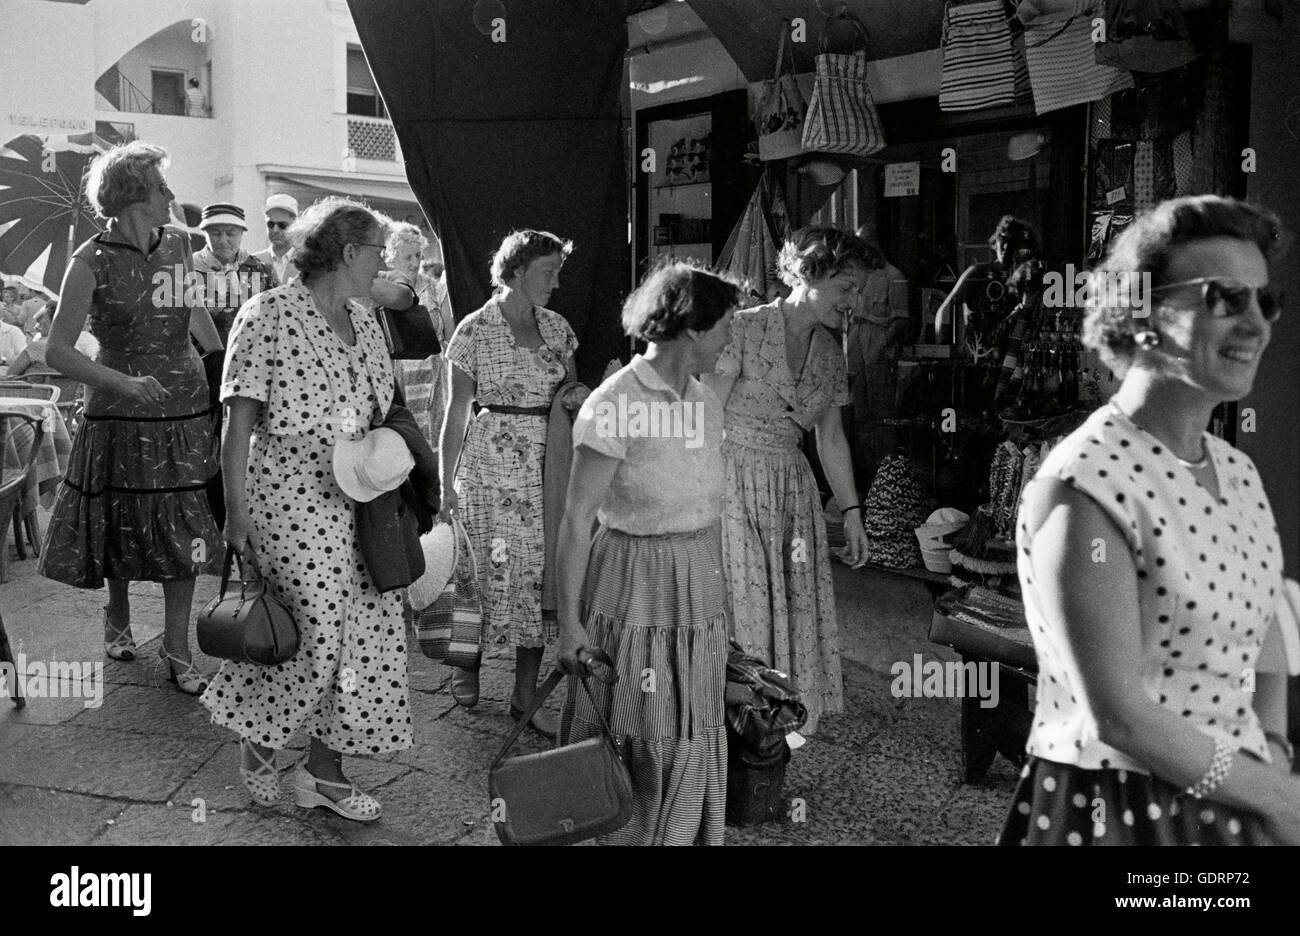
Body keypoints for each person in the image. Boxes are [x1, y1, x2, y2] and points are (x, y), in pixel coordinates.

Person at [999, 195, 1300, 845]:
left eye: (1264, 301)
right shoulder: (1082, 485)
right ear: (1142, 315)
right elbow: (1120, 716)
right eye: (1224, 298)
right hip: (1121, 812)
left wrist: (1271, 746)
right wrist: (1278, 797)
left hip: (1236, 797)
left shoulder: (1237, 471)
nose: (1256, 324)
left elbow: (1271, 613)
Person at [202, 197, 410, 820]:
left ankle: (324, 772)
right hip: (291, 496)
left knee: (368, 636)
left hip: (364, 497)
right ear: (347, 252)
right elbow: (237, 425)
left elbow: (383, 405)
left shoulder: (368, 321)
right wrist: (235, 515)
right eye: (377, 251)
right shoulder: (266, 314)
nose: (383, 262)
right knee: (312, 632)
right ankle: (261, 746)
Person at [556, 261, 741, 845]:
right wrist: (567, 624)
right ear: (692, 327)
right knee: (638, 715)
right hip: (633, 579)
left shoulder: (705, 399)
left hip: (698, 581)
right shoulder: (616, 400)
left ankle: (680, 833)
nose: (731, 338)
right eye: (725, 326)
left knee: (691, 718)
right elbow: (576, 517)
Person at [37, 141, 224, 694]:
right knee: (121, 516)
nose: (171, 195)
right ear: (134, 197)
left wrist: (220, 371)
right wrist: (122, 383)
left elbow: (193, 309)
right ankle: (116, 613)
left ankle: (176, 645)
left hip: (183, 406)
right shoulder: (88, 260)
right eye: (162, 187)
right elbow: (57, 352)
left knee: (185, 523)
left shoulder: (181, 246)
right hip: (119, 409)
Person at [704, 226, 871, 736]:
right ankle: (731, 730)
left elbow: (831, 439)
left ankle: (773, 730)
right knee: (746, 612)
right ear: (808, 274)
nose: (854, 301)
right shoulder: (745, 327)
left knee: (789, 607)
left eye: (858, 290)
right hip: (734, 480)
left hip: (792, 492)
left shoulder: (830, 354)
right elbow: (706, 414)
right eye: (845, 288)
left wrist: (852, 512)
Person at [438, 229, 580, 738]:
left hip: (548, 466)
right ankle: (467, 662)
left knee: (539, 575)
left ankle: (524, 692)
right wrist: (445, 484)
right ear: (517, 271)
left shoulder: (558, 329)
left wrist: (583, 394)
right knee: (480, 568)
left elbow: (570, 395)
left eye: (558, 271)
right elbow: (455, 414)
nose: (556, 282)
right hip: (488, 463)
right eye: (548, 271)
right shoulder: (475, 329)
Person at [192, 202, 276, 528]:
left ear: (242, 233)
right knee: (206, 444)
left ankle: (241, 514)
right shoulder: (189, 269)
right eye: (216, 232)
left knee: (241, 441)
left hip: (250, 373)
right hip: (204, 370)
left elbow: (273, 318)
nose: (223, 239)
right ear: (205, 234)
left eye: (230, 232)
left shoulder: (259, 269)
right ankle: (210, 518)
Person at [844, 232, 911, 483]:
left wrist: (882, 346)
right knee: (858, 407)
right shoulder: (859, 276)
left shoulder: (894, 276)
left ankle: (887, 474)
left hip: (878, 339)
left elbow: (901, 320)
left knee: (882, 409)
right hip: (855, 338)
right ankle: (866, 471)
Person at [383, 222, 452, 446]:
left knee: (436, 444)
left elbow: (450, 339)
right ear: (390, 257)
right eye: (407, 257)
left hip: (434, 379)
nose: (415, 263)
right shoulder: (380, 289)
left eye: (418, 256)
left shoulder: (436, 290)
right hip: (397, 378)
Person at [934, 215, 1038, 349]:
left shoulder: (1024, 280)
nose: (1006, 247)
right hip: (978, 358)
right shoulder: (978, 273)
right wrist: (941, 351)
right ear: (996, 241)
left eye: (1012, 243)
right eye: (1003, 240)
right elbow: (945, 309)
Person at [2, 299, 98, 377]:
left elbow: (10, 375)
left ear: (55, 322)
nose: (36, 326)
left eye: (40, 322)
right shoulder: (78, 345)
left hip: (36, 398)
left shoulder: (38, 347)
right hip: (67, 397)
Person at [251, 194, 301, 287]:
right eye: (270, 224)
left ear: (295, 225)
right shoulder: (253, 263)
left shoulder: (307, 262)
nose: (275, 230)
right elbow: (247, 300)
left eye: (282, 225)